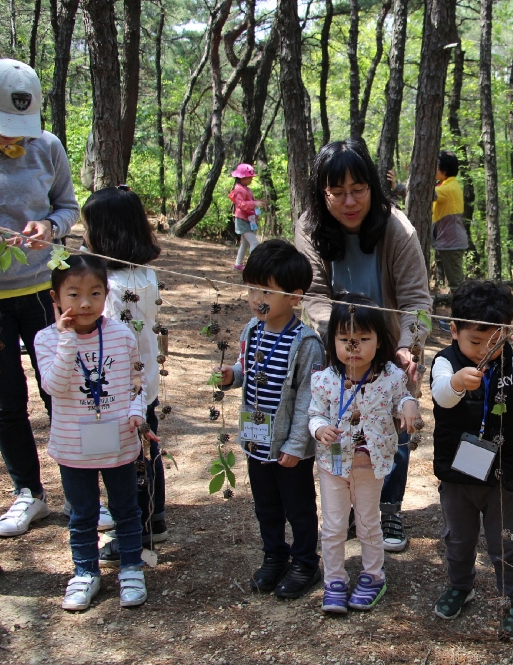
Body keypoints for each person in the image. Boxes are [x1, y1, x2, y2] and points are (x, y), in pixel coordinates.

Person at [298, 137, 432, 553]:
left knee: (394, 419)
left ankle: (387, 508)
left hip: (392, 344)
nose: (349, 201)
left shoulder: (397, 228)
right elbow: (311, 293)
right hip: (335, 347)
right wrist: (344, 330)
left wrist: (407, 345)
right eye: (337, 192)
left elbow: (418, 300)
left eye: (358, 189)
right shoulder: (310, 227)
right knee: (341, 421)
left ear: (373, 187)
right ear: (323, 194)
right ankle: (348, 505)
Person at [0, 58, 80, 537]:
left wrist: (50, 227)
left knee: (59, 390)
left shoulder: (48, 147)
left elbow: (67, 205)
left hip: (42, 290)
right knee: (5, 399)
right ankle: (29, 493)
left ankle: (81, 491)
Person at [33, 255, 152, 611]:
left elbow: (136, 383)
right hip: (72, 446)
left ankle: (132, 567)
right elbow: (53, 386)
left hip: (118, 441)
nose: (85, 303)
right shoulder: (45, 340)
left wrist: (135, 413)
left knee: (127, 509)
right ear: (56, 298)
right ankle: (85, 572)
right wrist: (68, 340)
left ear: (106, 294)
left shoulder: (120, 334)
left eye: (95, 293)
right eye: (74, 294)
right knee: (82, 514)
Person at [429, 280, 513, 640]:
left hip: (501, 473)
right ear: (454, 330)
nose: (484, 352)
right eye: (475, 342)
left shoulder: (510, 357)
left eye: (493, 342)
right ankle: (461, 585)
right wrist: (458, 383)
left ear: (506, 334)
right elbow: (441, 396)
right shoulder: (445, 361)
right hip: (457, 474)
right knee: (459, 540)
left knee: (505, 542)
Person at [216, 239, 326, 599]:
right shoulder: (253, 329)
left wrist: (296, 445)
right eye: (251, 287)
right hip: (255, 439)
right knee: (266, 505)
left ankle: (306, 562)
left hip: (288, 448)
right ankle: (274, 556)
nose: (254, 297)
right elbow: (251, 369)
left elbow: (308, 400)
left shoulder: (306, 342)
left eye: (266, 290)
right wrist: (233, 375)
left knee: (298, 507)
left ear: (295, 297)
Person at [309, 293, 421, 613]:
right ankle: (334, 580)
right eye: (345, 339)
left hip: (372, 465)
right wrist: (319, 429)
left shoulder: (391, 377)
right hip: (333, 464)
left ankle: (373, 576)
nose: (353, 347)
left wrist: (409, 405)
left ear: (379, 339)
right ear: (332, 340)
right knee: (332, 526)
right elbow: (314, 413)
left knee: (369, 523)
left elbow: (402, 400)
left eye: (362, 338)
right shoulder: (324, 380)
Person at [80, 186, 169, 561]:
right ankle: (153, 519)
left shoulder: (113, 289)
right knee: (147, 451)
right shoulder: (143, 275)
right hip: (141, 386)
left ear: (105, 235)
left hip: (122, 391)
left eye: (88, 228)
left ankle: (142, 527)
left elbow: (110, 341)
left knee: (132, 459)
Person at [432, 151, 468, 294]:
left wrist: (397, 187)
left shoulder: (449, 188)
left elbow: (423, 192)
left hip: (452, 244)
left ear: (445, 170)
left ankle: (460, 315)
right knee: (456, 283)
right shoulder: (445, 185)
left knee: (457, 286)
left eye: (436, 165)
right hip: (450, 243)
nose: (432, 168)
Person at [228, 163, 266, 271]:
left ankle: (238, 264)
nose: (251, 180)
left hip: (248, 220)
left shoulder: (246, 189)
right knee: (254, 242)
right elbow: (241, 205)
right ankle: (252, 265)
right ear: (242, 178)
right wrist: (254, 204)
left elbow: (249, 202)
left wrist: (257, 204)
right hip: (242, 220)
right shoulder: (238, 189)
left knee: (244, 243)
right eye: (249, 178)